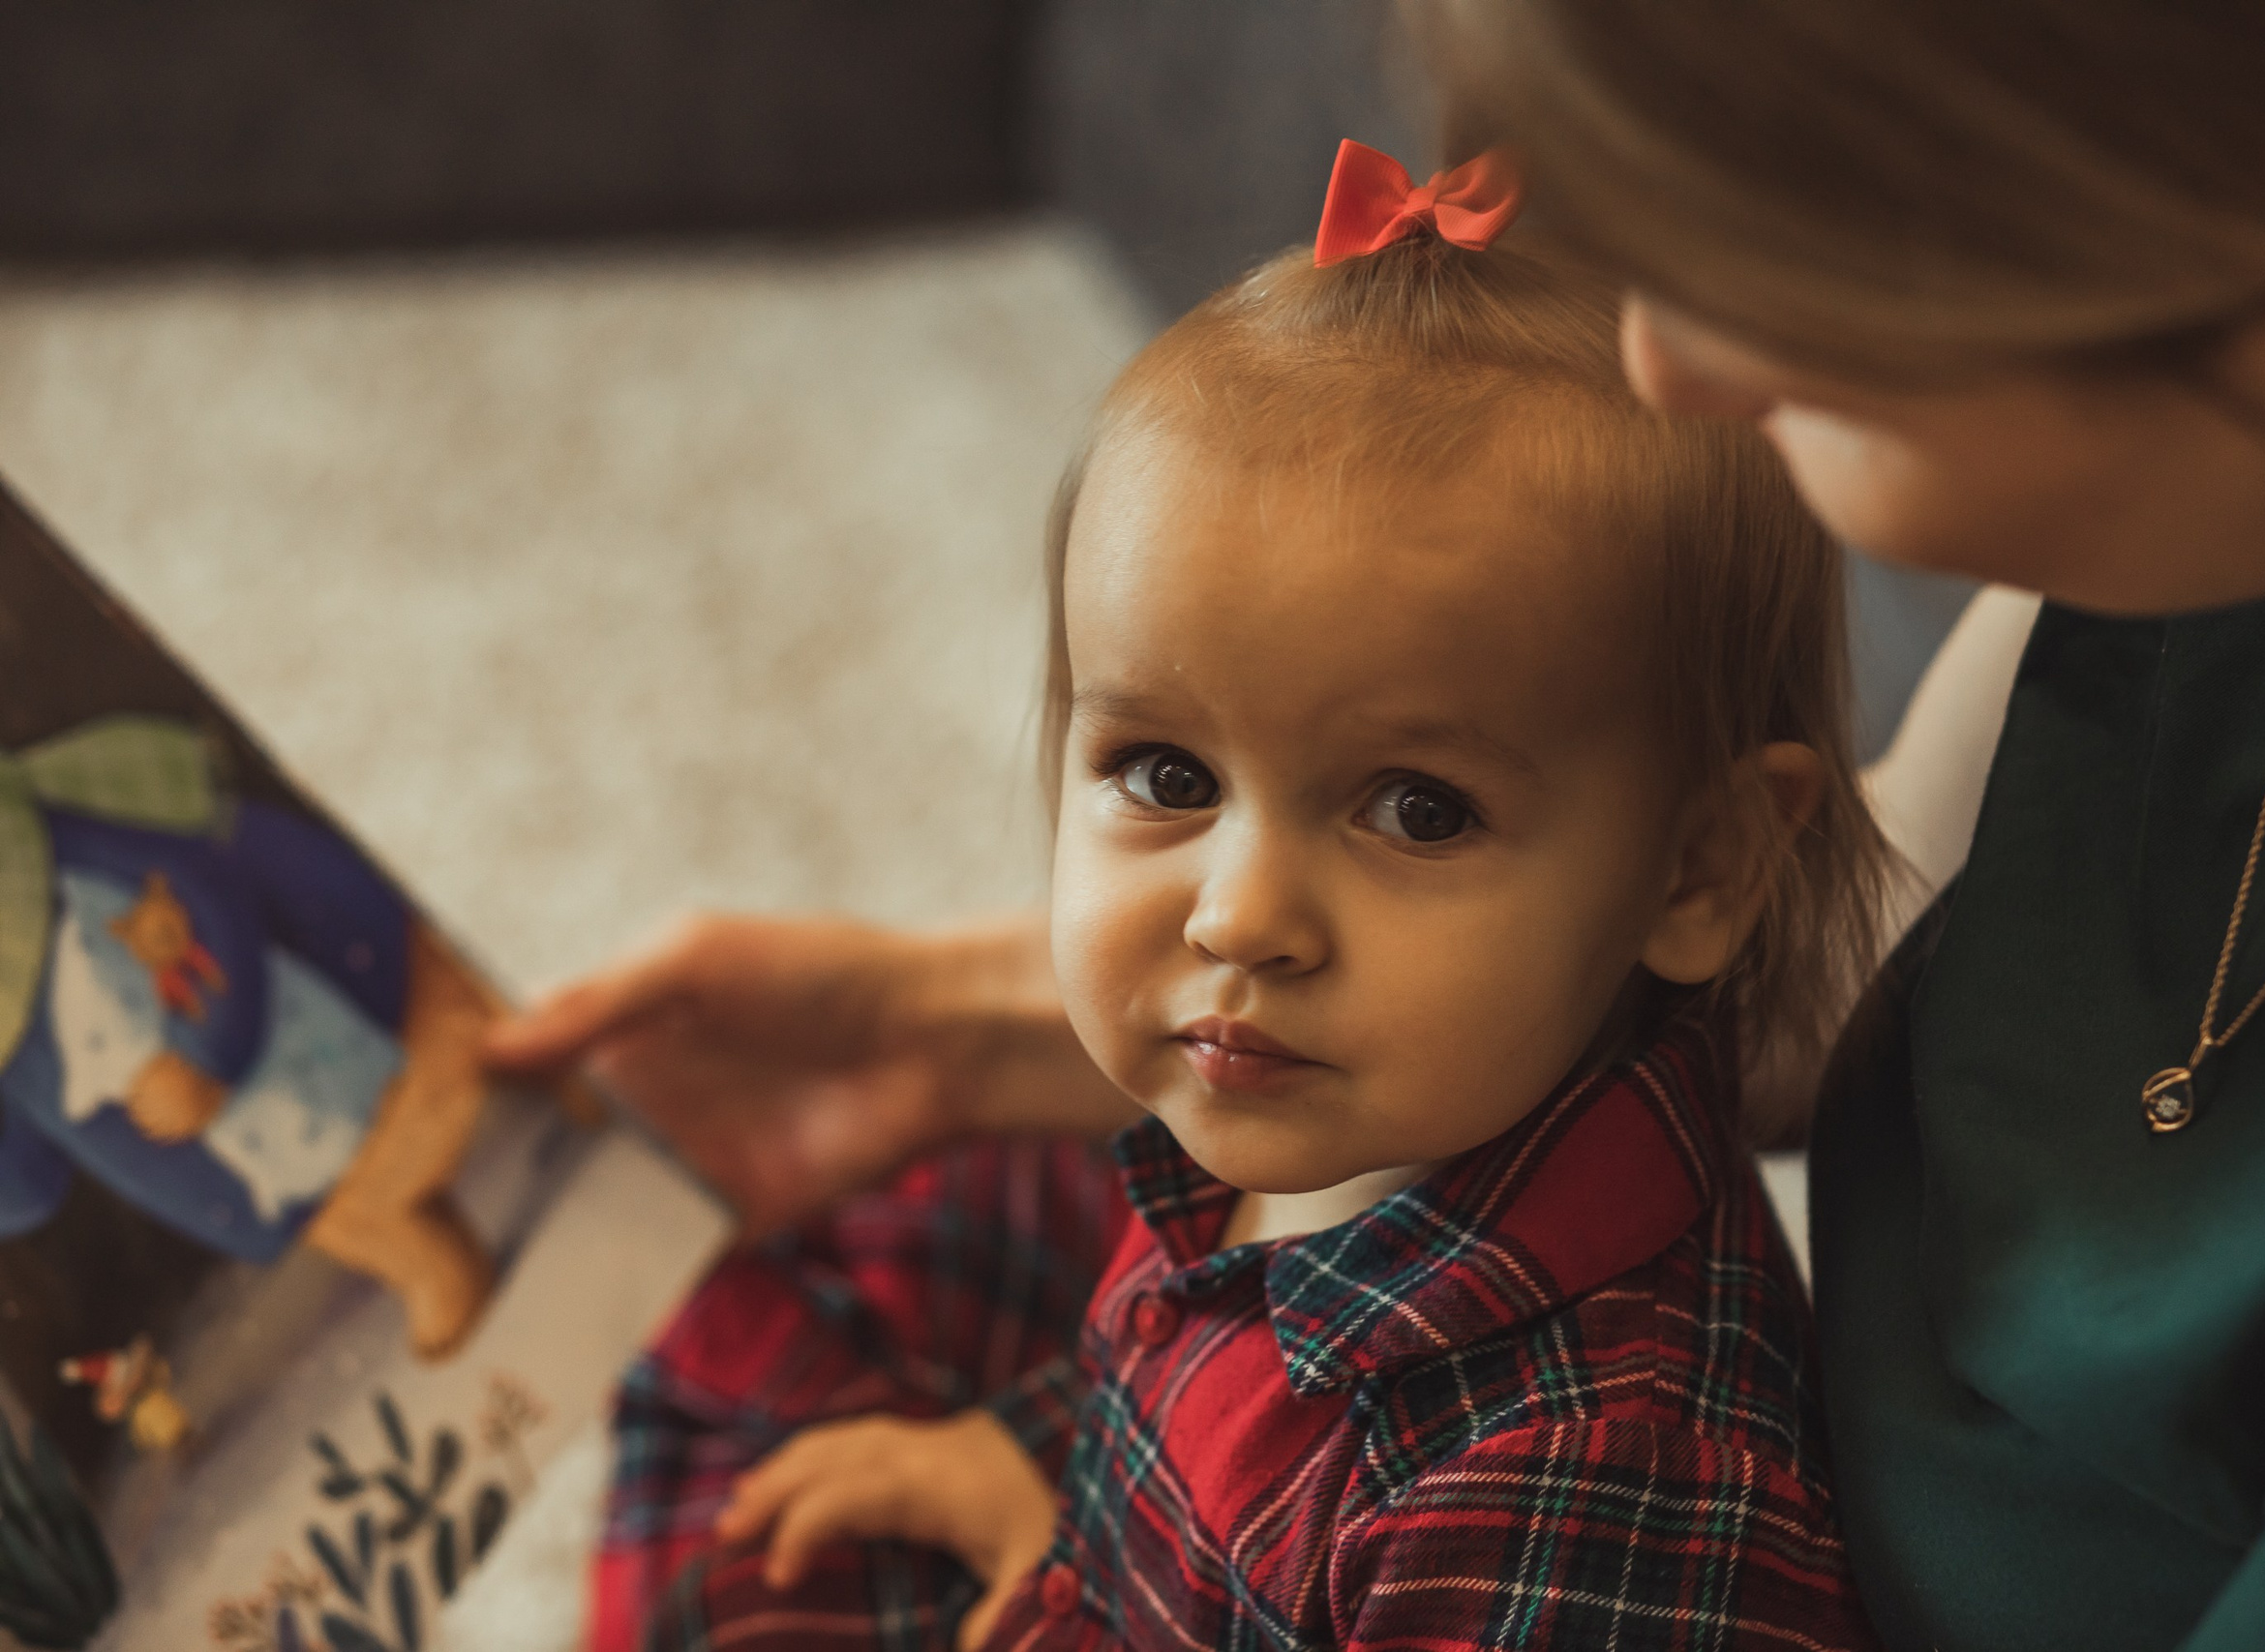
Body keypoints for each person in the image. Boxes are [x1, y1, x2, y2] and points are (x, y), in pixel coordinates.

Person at [494, 3, 2265, 1647]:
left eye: (1782, 276)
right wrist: (931, 1047)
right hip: (1278, 1480)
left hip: (1554, 1551)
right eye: (1158, 776)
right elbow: (1829, 952)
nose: (1664, 357)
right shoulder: (2185, 539)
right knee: (807, 1255)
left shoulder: (1574, 1488)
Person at [529, 144, 1894, 1652]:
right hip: (1119, 1553)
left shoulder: (1588, 1489)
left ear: (1701, 866)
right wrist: (1036, 1456)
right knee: (760, 1252)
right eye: (1168, 776)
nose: (1237, 918)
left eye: (1417, 810)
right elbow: (1204, 1325)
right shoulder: (1355, 1101)